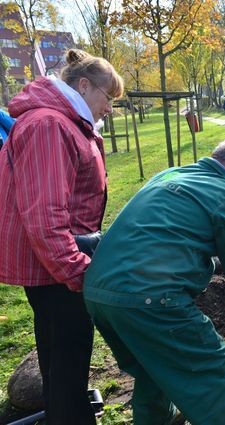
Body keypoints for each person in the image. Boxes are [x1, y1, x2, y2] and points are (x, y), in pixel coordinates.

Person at [83, 140, 225, 425]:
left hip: (100, 292)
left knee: (155, 370)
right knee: (214, 374)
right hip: (152, 298)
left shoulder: (170, 175)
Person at [0, 48, 124, 425]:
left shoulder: (62, 121)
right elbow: (45, 216)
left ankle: (63, 413)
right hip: (56, 266)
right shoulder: (50, 125)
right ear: (83, 86)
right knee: (68, 361)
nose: (110, 109)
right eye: (109, 98)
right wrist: (78, 273)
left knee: (59, 360)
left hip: (55, 262)